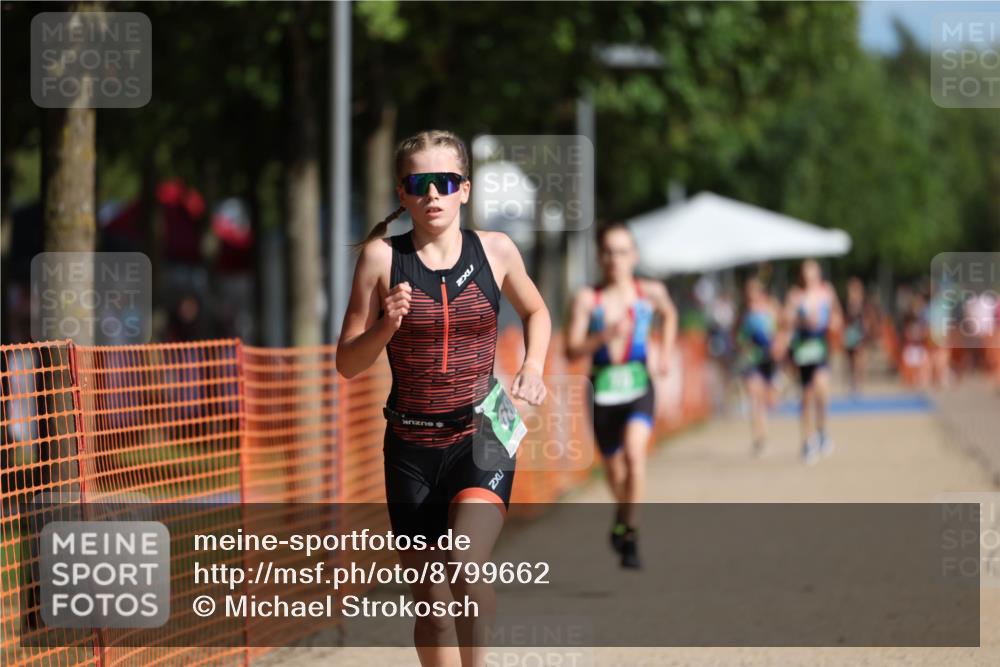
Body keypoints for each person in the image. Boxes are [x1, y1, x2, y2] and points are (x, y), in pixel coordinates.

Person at [336, 130, 550, 667]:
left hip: (484, 431)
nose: (433, 194)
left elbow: (537, 312)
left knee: (465, 564)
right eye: (419, 183)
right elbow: (347, 363)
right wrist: (387, 325)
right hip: (410, 446)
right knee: (431, 601)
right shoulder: (380, 260)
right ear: (403, 193)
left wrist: (533, 367)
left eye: (444, 182)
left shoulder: (495, 250)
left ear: (464, 190)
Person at [565, 222, 677, 569]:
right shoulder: (588, 299)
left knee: (634, 456)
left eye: (623, 252)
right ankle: (624, 516)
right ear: (600, 257)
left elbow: (670, 314)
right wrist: (604, 336)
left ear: (634, 256)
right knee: (615, 472)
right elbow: (571, 350)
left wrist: (664, 352)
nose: (616, 259)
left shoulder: (650, 292)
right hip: (602, 391)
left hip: (639, 386)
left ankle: (629, 533)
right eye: (609, 252)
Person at [780, 260, 843, 465]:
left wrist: (834, 322)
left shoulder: (827, 291)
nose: (810, 277)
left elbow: (837, 315)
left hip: (820, 345)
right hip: (803, 348)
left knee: (822, 389)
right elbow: (785, 319)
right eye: (806, 273)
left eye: (813, 273)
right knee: (806, 397)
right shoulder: (795, 295)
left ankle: (822, 430)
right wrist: (799, 318)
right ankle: (807, 441)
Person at [736, 277, 780, 456]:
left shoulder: (771, 310)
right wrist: (744, 344)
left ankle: (764, 434)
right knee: (755, 398)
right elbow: (739, 338)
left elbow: (781, 330)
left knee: (766, 401)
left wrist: (778, 345)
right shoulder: (745, 315)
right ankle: (759, 439)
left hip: (769, 361)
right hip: (752, 360)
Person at [842, 277, 870, 395]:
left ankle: (859, 383)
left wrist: (865, 332)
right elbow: (845, 318)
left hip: (859, 332)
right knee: (850, 359)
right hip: (850, 333)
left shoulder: (862, 303)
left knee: (859, 359)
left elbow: (865, 319)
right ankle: (853, 383)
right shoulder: (847, 302)